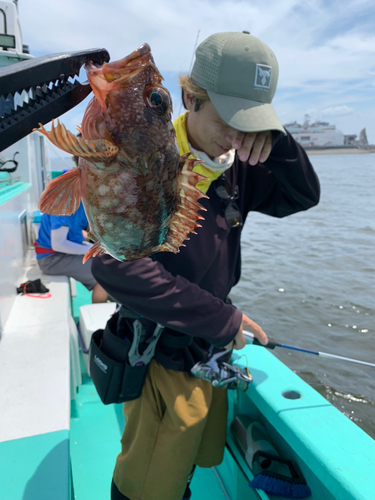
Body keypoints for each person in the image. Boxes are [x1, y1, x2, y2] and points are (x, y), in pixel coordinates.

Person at [91, 31, 320, 500]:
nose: (241, 134)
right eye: (233, 118)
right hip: (156, 350)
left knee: (187, 468)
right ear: (190, 98)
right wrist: (221, 318)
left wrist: (277, 143)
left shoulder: (239, 166)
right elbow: (115, 267)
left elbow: (303, 195)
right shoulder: (146, 159)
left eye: (254, 120)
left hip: (207, 350)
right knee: (146, 485)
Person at [35, 196, 108, 303]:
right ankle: (99, 315)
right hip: (52, 259)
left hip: (66, 253)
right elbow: (58, 244)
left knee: (111, 264)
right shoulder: (64, 204)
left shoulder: (83, 203)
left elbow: (81, 230)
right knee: (105, 276)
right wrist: (93, 250)